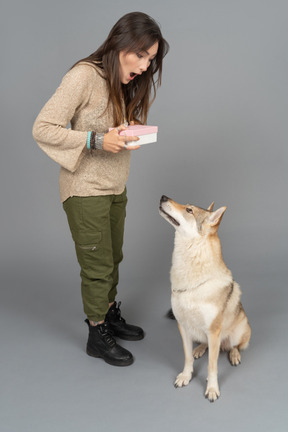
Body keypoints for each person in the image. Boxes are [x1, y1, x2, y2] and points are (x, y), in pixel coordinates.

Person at [32, 12, 169, 367]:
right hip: (84, 189)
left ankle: (108, 315)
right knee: (97, 267)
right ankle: (96, 334)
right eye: (141, 55)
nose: (145, 64)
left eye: (151, 59)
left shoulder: (119, 82)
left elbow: (106, 127)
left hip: (114, 186)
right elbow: (43, 128)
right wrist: (96, 139)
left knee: (112, 260)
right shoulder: (83, 76)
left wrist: (126, 130)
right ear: (121, 43)